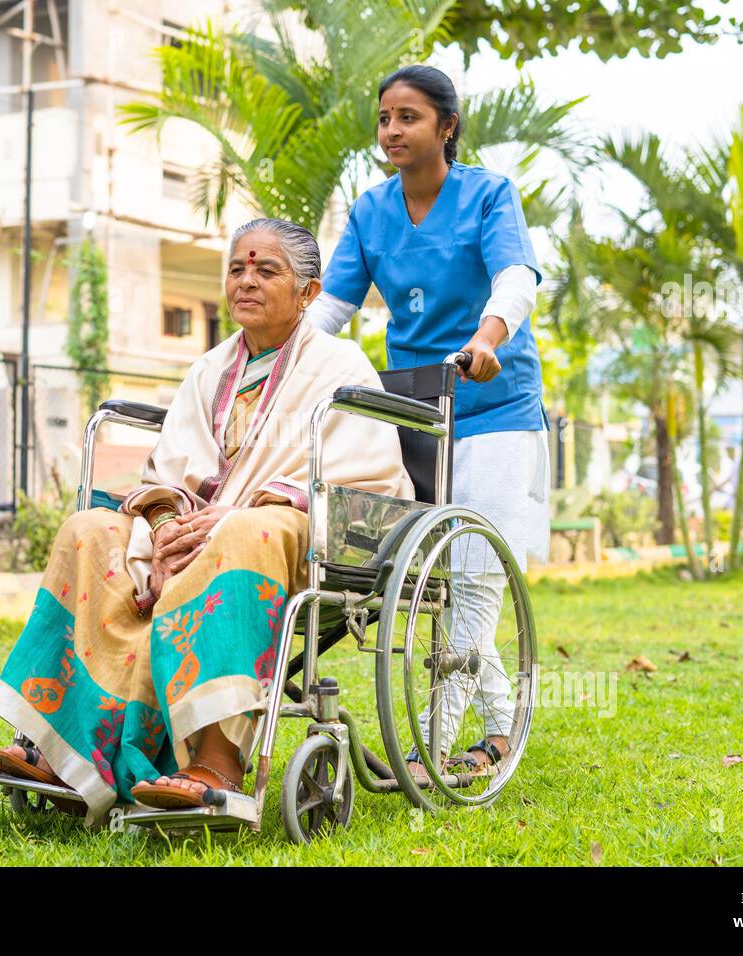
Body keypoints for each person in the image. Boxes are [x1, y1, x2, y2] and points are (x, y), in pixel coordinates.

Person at [0, 218, 413, 825]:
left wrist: (236, 512)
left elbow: (363, 473)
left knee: (240, 533)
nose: (247, 281)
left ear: (309, 292)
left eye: (267, 270)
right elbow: (168, 472)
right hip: (193, 523)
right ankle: (68, 753)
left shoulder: (341, 367)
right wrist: (162, 528)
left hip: (289, 526)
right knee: (88, 529)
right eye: (238, 268)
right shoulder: (209, 368)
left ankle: (216, 763)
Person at [305, 64, 550, 780]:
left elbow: (516, 277)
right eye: (384, 118)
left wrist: (487, 338)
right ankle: (502, 729)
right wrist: (280, 360)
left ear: (446, 126)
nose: (391, 131)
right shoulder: (371, 211)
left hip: (494, 404)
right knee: (440, 577)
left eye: (407, 117)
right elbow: (329, 310)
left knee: (473, 575)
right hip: (412, 409)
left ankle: (431, 747)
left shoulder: (488, 195)